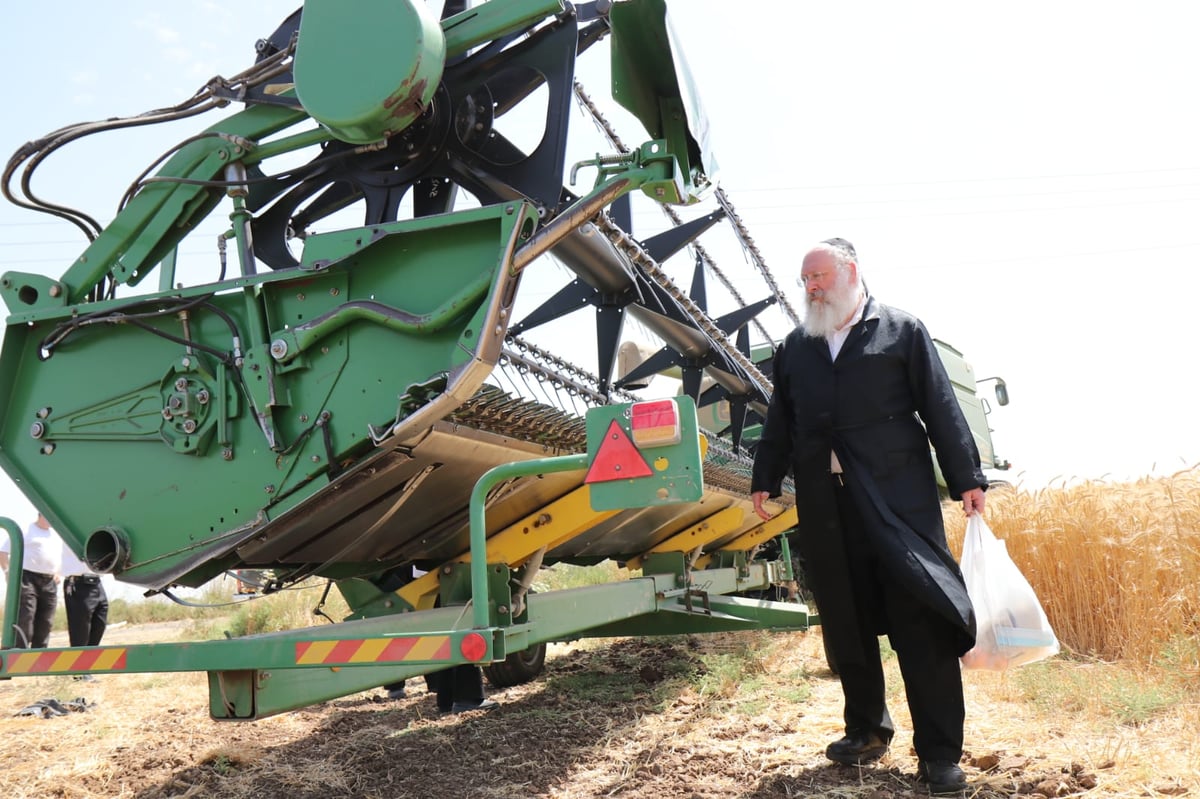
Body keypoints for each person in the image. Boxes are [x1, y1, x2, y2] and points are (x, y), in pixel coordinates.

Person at [750, 238, 986, 796]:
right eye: (805, 279)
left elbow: (939, 405)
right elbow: (781, 418)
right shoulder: (796, 348)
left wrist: (966, 478)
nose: (810, 287)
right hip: (826, 504)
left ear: (850, 272)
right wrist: (766, 476)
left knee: (919, 616)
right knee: (846, 619)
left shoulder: (900, 330)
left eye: (819, 276)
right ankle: (866, 730)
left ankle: (939, 753)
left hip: (897, 500)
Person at [0, 512, 62, 649]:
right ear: (40, 515)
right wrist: (7, 571)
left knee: (45, 623)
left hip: (49, 581)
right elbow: (3, 552)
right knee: (26, 620)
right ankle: (19, 657)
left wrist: (57, 572)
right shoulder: (26, 529)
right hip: (28, 579)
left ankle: (39, 660)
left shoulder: (56, 535)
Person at [60, 536, 109, 654]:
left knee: (99, 624)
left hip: (96, 581)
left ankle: (87, 665)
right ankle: (79, 669)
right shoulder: (73, 529)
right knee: (80, 633)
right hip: (78, 582)